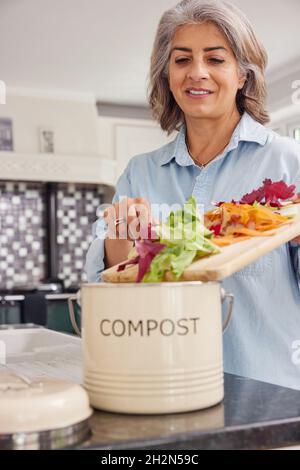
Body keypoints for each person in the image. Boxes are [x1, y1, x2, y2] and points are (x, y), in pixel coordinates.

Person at [85, 0, 300, 390]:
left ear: (242, 76)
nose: (197, 73)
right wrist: (120, 246)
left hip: (270, 393)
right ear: (167, 76)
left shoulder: (290, 162)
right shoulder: (141, 172)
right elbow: (104, 306)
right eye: (182, 60)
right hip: (163, 390)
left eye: (216, 59)